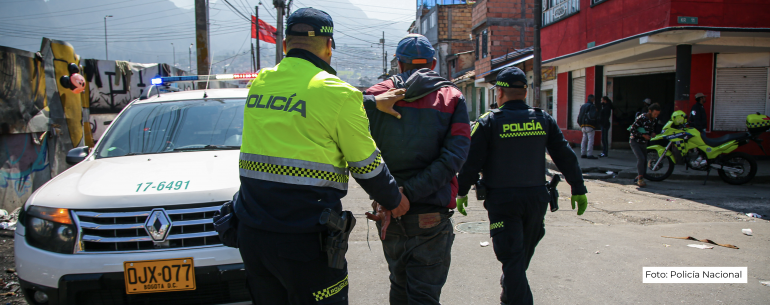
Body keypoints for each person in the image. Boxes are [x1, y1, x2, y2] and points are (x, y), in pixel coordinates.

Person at [235, 8, 410, 304]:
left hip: (252, 234)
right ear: (329, 46)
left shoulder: (261, 82)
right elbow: (366, 167)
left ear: (285, 45)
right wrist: (395, 200)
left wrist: (368, 101)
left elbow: (303, 100)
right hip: (304, 241)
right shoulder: (339, 94)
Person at [455, 67, 588, 305]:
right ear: (525, 93)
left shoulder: (488, 122)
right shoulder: (543, 119)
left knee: (513, 259)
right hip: (536, 200)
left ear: (500, 93)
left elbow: (471, 162)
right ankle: (510, 292)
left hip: (503, 201)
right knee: (517, 259)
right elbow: (565, 156)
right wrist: (578, 187)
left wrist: (461, 191)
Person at [362, 33, 471, 305]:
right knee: (424, 296)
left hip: (389, 211)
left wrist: (393, 197)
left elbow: (359, 156)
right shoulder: (452, 97)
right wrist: (407, 193)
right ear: (433, 64)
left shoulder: (373, 97)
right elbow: (454, 158)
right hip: (430, 218)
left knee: (399, 287)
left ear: (399, 64)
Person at [629, 103, 661, 187]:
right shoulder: (641, 118)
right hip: (635, 141)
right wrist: (643, 135)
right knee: (641, 158)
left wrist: (652, 133)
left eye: (657, 114)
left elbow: (651, 129)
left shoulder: (653, 120)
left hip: (644, 142)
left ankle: (640, 177)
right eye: (655, 114)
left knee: (644, 160)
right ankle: (640, 179)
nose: (656, 116)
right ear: (650, 111)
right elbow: (632, 129)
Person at [577, 94, 598, 159]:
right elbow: (593, 116)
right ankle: (589, 154)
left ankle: (583, 153)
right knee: (590, 140)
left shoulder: (583, 106)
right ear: (592, 99)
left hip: (583, 125)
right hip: (590, 125)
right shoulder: (592, 106)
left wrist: (580, 124)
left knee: (584, 140)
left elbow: (579, 116)